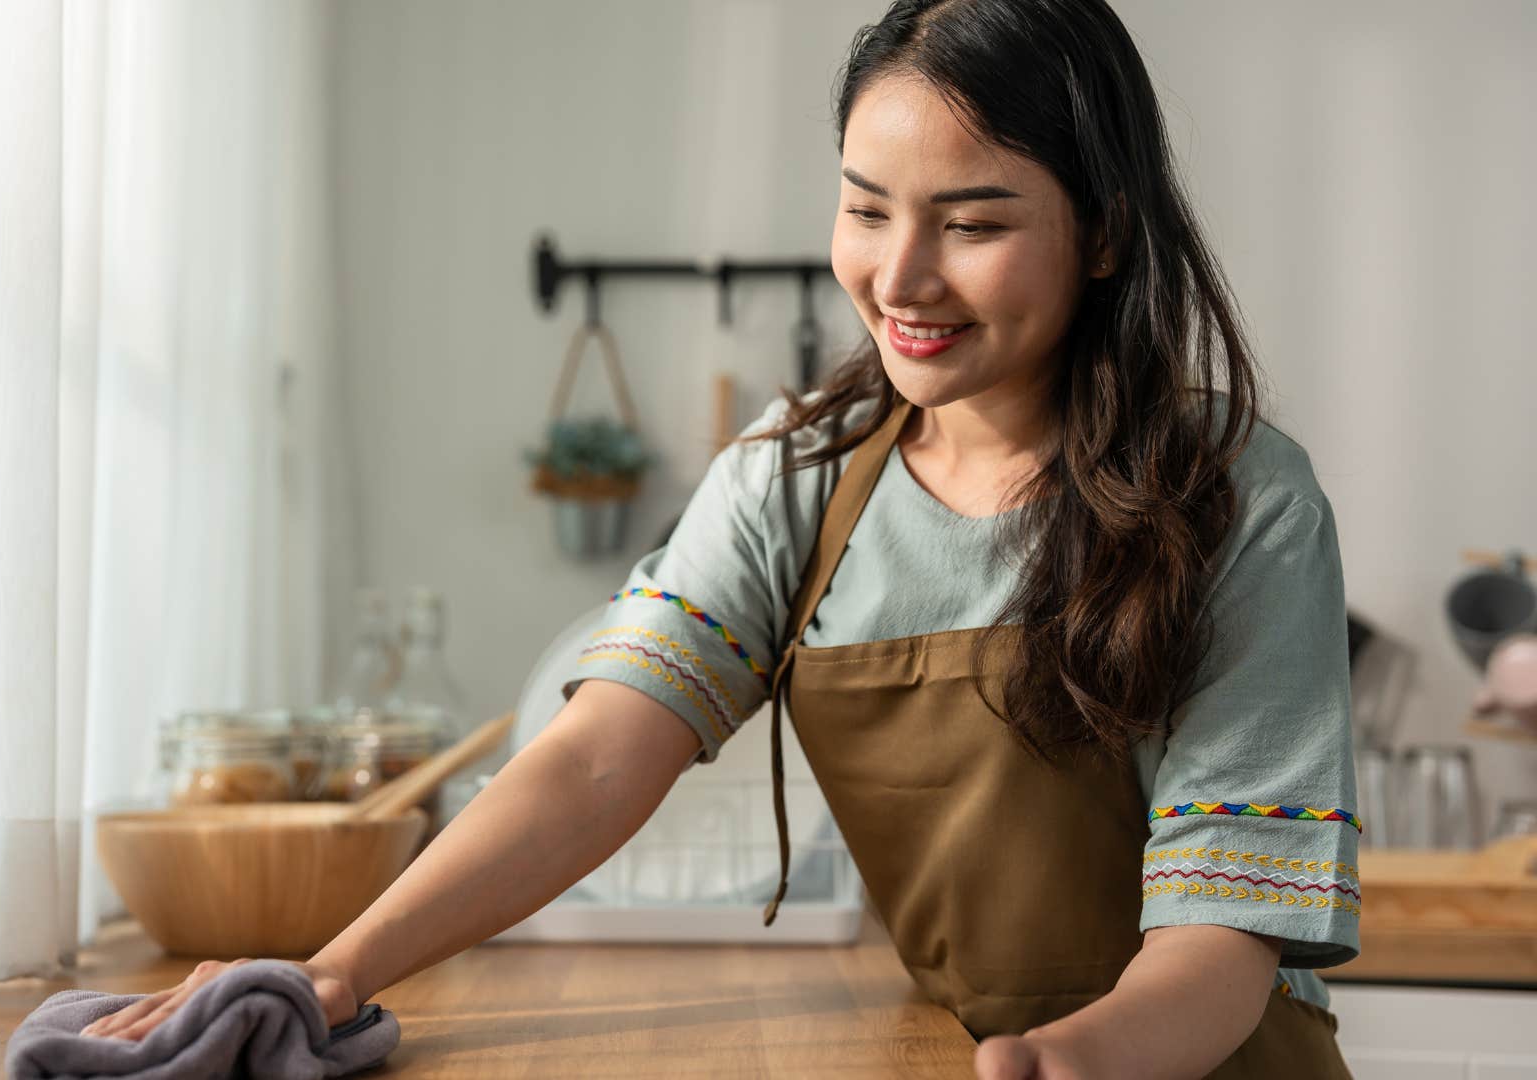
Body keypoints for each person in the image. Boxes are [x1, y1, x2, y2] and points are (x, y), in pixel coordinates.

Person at [83, 1, 1361, 1075]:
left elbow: (1226, 945)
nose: (901, 277)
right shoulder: (793, 480)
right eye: (866, 210)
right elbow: (592, 764)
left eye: (972, 225)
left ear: (1107, 235)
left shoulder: (1242, 500)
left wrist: (1063, 1062)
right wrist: (332, 970)